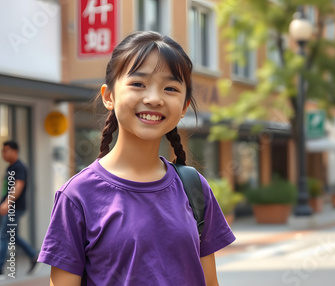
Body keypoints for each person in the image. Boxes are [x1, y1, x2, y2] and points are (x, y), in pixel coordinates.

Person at [38, 31, 236, 285]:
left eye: (171, 88)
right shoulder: (77, 195)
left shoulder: (194, 187)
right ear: (109, 96)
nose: (154, 98)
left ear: (184, 106)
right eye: (138, 84)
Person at [0, 141, 39, 275]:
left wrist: (7, 203)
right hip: (9, 206)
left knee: (3, 235)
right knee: (12, 236)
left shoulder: (19, 167)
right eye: (2, 151)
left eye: (6, 150)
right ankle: (33, 255)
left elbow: (18, 185)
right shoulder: (10, 168)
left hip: (14, 207)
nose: (3, 153)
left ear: (15, 151)